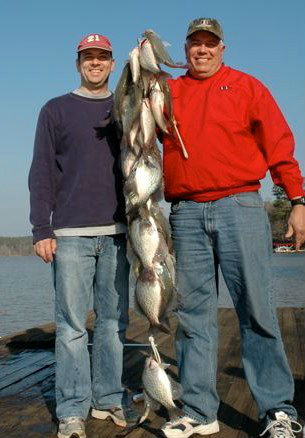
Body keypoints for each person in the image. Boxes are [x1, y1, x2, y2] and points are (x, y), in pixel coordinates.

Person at [160, 18, 305, 438]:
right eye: (194, 44)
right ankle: (200, 411)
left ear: (223, 49)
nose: (202, 50)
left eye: (210, 43)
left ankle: (277, 410)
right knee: (193, 317)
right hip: (185, 213)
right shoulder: (168, 92)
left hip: (239, 205)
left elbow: (279, 143)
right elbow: (134, 129)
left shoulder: (247, 86)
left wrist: (297, 200)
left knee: (257, 311)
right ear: (185, 50)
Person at [29, 34, 139, 438]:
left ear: (113, 65)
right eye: (87, 57)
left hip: (119, 232)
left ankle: (108, 397)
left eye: (102, 58)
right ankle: (72, 408)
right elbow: (41, 172)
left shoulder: (126, 106)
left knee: (113, 322)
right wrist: (42, 228)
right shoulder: (54, 110)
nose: (95, 63)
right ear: (78, 63)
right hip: (70, 234)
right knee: (72, 326)